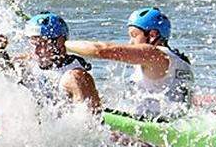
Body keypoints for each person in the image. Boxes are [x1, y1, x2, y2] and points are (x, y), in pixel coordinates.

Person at [65, 7, 194, 120]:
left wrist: (63, 45)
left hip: (153, 128)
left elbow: (100, 50)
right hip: (172, 126)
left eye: (134, 35)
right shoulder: (180, 59)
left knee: (77, 81)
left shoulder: (153, 53)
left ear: (152, 35)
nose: (131, 42)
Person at [0, 12, 102, 113]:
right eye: (33, 43)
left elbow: (91, 124)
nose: (36, 50)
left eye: (41, 43)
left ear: (60, 43)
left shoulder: (75, 77)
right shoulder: (29, 60)